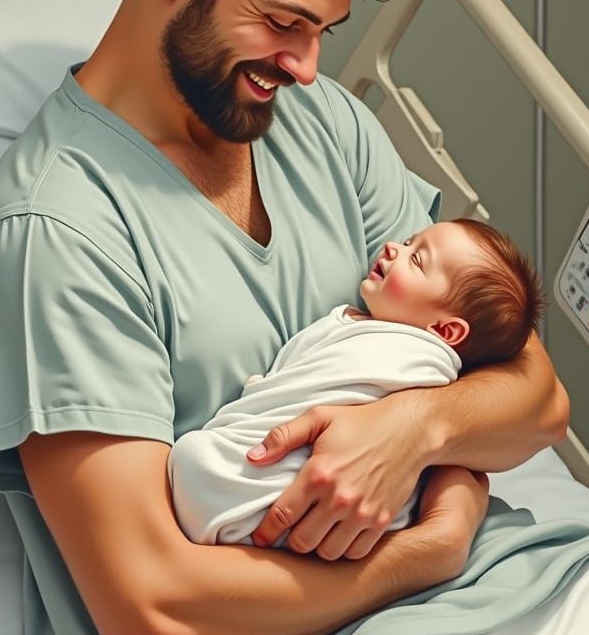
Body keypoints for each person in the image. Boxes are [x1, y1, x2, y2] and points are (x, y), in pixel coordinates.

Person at [0, 0, 570, 635]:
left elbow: (538, 398)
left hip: (510, 593)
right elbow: (153, 618)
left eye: (324, 32)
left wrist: (414, 434)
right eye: (284, 23)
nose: (308, 67)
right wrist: (427, 547)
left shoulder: (320, 126)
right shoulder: (58, 234)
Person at [170, 218, 545, 548]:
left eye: (415, 259)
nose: (394, 248)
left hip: (321, 497)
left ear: (445, 330)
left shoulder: (422, 364)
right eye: (410, 240)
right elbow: (294, 383)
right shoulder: (354, 326)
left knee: (194, 461)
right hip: (310, 484)